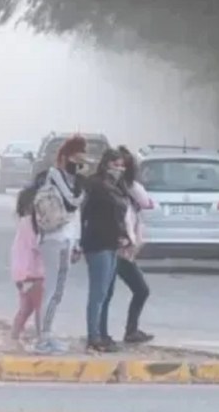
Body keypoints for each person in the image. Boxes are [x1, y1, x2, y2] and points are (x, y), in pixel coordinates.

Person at [34, 135, 87, 354]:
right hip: (54, 239)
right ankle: (42, 339)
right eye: (76, 157)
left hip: (67, 239)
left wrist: (77, 243)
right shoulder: (55, 175)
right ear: (66, 157)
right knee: (51, 290)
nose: (79, 163)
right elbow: (71, 202)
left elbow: (77, 215)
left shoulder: (74, 180)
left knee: (58, 292)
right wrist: (82, 187)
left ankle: (48, 334)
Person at [80, 148, 132, 352]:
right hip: (97, 243)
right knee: (98, 292)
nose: (118, 169)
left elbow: (120, 215)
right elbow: (84, 214)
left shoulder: (116, 186)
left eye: (121, 165)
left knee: (106, 292)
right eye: (115, 164)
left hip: (112, 243)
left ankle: (102, 334)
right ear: (106, 164)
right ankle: (94, 336)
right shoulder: (95, 185)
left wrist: (125, 237)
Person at [103, 145, 154, 344]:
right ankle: (112, 333)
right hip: (118, 247)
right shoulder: (126, 187)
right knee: (138, 289)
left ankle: (124, 331)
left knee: (109, 292)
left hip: (123, 245)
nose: (121, 170)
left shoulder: (122, 188)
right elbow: (146, 201)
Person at [9, 185, 44, 351]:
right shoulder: (31, 223)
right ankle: (43, 338)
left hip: (23, 273)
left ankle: (14, 337)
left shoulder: (24, 222)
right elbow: (37, 246)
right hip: (34, 273)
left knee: (26, 308)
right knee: (40, 308)